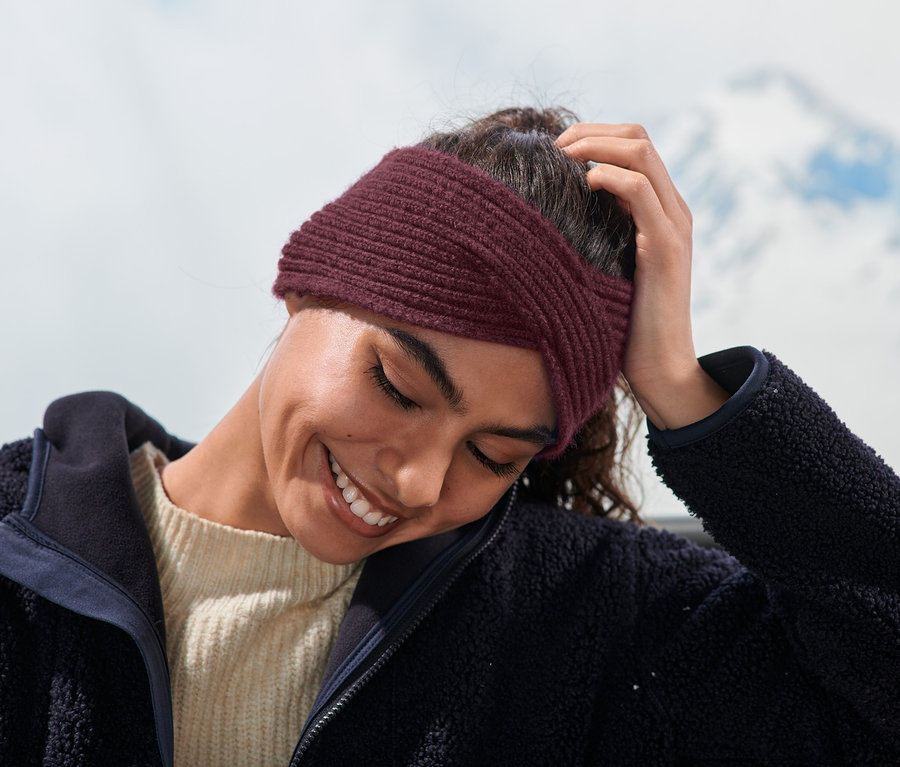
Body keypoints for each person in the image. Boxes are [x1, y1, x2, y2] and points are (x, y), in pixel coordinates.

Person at [0, 107, 897, 767]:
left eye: (494, 456)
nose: (423, 480)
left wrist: (688, 396)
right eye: (397, 384)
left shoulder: (586, 624)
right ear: (306, 280)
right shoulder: (17, 555)